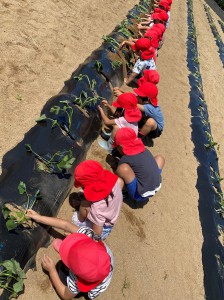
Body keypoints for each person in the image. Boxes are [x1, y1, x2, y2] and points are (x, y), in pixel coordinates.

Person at [26, 209, 114, 300]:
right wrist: (39, 218)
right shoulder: (91, 236)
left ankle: (83, 290)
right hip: (104, 270)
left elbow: (65, 295)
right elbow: (66, 225)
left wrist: (51, 270)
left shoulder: (77, 279)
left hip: (96, 286)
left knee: (61, 274)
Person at [72, 160, 124, 239]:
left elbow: (96, 234)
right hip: (112, 213)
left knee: (84, 204)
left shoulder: (98, 208)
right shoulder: (115, 182)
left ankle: (80, 222)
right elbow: (121, 183)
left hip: (104, 228)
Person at [114, 127, 165, 202]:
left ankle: (123, 191)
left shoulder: (125, 158)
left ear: (121, 147)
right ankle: (150, 181)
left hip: (139, 195)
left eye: (117, 147)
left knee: (122, 169)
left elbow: (119, 171)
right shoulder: (144, 150)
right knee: (160, 158)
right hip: (156, 186)